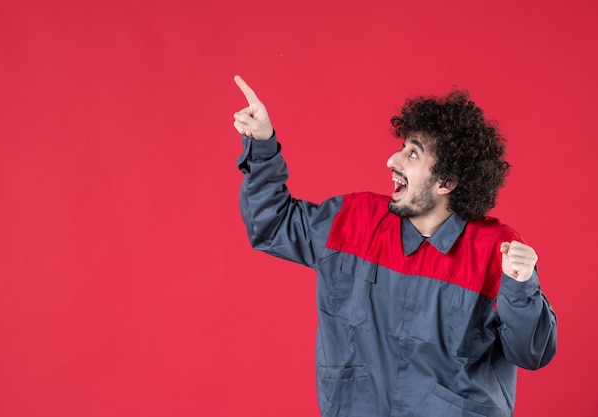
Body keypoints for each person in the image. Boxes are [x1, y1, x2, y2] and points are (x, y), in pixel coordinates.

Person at [232, 75, 557, 417]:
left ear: (446, 182)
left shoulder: (497, 252)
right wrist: (263, 144)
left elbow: (531, 353)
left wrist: (521, 289)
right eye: (402, 148)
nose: (392, 160)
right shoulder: (353, 220)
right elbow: (272, 225)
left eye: (412, 154)